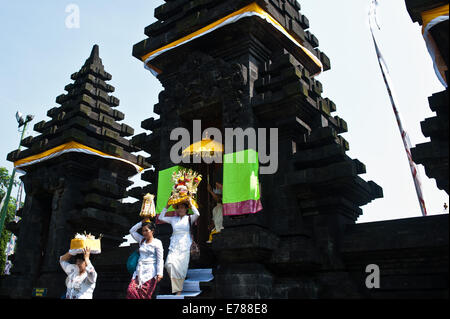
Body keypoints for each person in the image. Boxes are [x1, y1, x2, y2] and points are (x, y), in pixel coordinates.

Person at [160, 197, 199, 295]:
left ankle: (179, 290)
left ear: (186, 209)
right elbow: (160, 218)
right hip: (174, 245)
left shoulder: (189, 218)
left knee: (181, 268)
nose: (180, 209)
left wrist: (190, 202)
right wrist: (167, 206)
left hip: (185, 245)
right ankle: (177, 287)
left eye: (182, 207)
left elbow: (197, 214)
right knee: (168, 264)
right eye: (178, 208)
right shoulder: (173, 219)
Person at [127, 220, 164, 299]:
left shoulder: (157, 242)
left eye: (146, 230)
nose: (144, 233)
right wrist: (141, 223)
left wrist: (160, 273)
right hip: (139, 270)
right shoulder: (142, 240)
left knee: (145, 295)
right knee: (131, 291)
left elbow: (160, 259)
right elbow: (132, 231)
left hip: (150, 272)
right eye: (143, 231)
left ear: (152, 231)